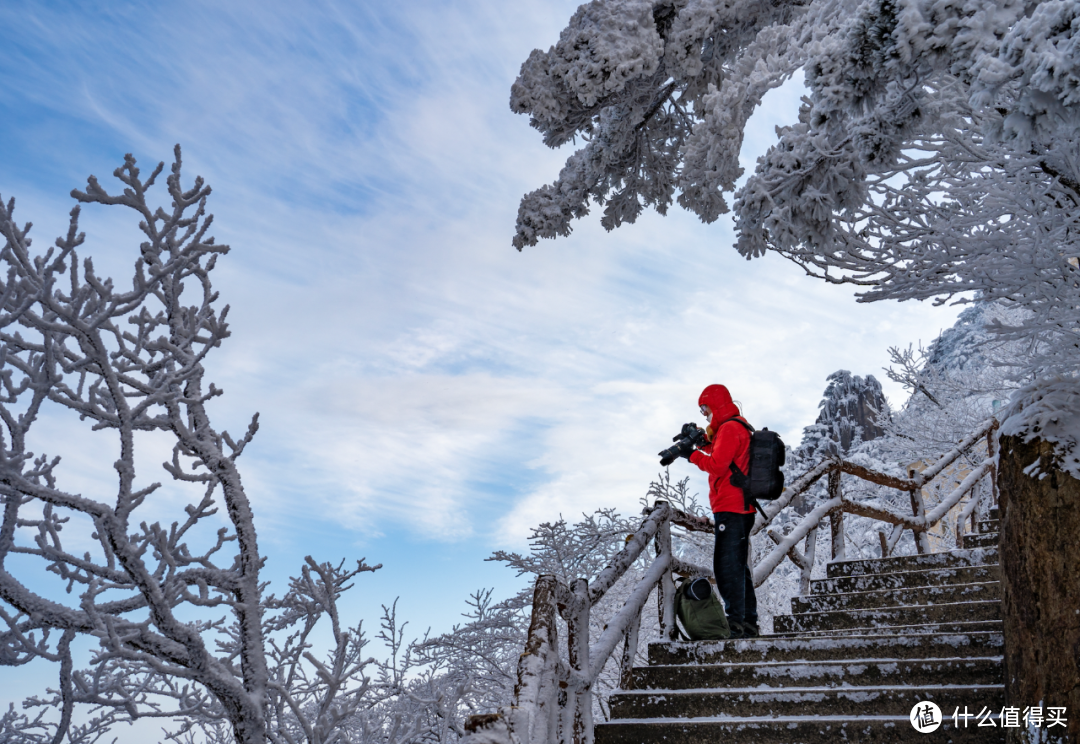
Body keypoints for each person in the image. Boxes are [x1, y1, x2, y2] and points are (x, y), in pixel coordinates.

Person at [686, 384, 760, 639]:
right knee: (738, 567)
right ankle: (747, 624)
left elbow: (717, 466)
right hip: (739, 507)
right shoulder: (735, 426)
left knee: (727, 567)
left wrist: (692, 456)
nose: (703, 414)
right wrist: (701, 443)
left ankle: (736, 624)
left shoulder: (729, 428)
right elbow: (723, 455)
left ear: (714, 405)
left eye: (704, 408)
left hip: (732, 507)